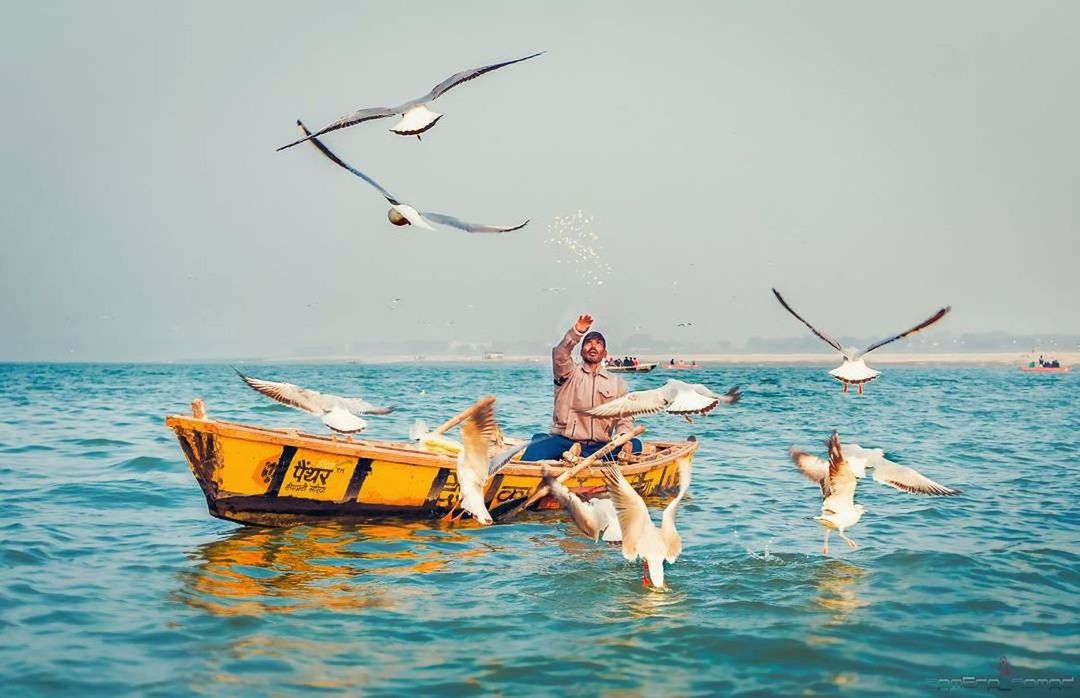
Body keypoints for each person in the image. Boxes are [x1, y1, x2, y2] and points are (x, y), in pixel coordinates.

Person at [521, 314, 643, 461]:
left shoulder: (617, 383)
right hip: (566, 442)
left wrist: (623, 435)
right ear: (581, 351)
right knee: (538, 442)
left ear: (604, 353)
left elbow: (625, 417)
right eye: (588, 343)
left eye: (598, 343)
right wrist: (576, 332)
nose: (593, 346)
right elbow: (560, 354)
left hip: (600, 447)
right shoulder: (568, 373)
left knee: (636, 445)